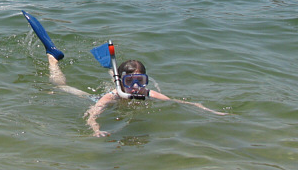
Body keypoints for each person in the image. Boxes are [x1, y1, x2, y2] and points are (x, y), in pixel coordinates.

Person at [46, 54, 227, 137]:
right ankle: (53, 61)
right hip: (94, 97)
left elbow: (180, 102)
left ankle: (112, 69)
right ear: (121, 83)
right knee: (61, 86)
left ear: (145, 81)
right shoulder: (113, 96)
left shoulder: (147, 93)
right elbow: (93, 113)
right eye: (129, 82)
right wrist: (96, 129)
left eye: (139, 81)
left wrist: (207, 110)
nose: (134, 87)